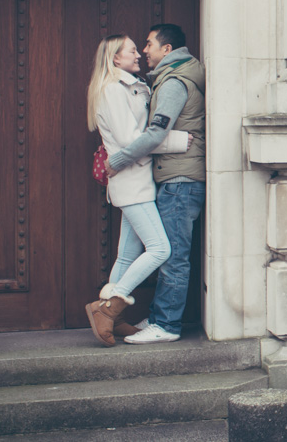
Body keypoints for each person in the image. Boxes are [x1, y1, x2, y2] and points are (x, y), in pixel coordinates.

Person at [84, 35, 190, 346]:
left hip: (139, 180)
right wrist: (178, 142)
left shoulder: (130, 85)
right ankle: (107, 307)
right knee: (160, 249)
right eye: (132, 50)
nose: (139, 54)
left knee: (128, 254)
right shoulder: (112, 90)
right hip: (132, 183)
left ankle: (113, 318)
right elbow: (133, 142)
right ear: (115, 59)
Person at [103, 23, 206, 345]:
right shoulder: (165, 79)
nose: (144, 51)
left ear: (167, 49)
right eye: (138, 47)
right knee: (158, 251)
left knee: (170, 254)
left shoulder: (174, 81)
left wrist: (118, 160)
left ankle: (165, 325)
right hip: (174, 177)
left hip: (179, 179)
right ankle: (148, 316)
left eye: (147, 44)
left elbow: (155, 134)